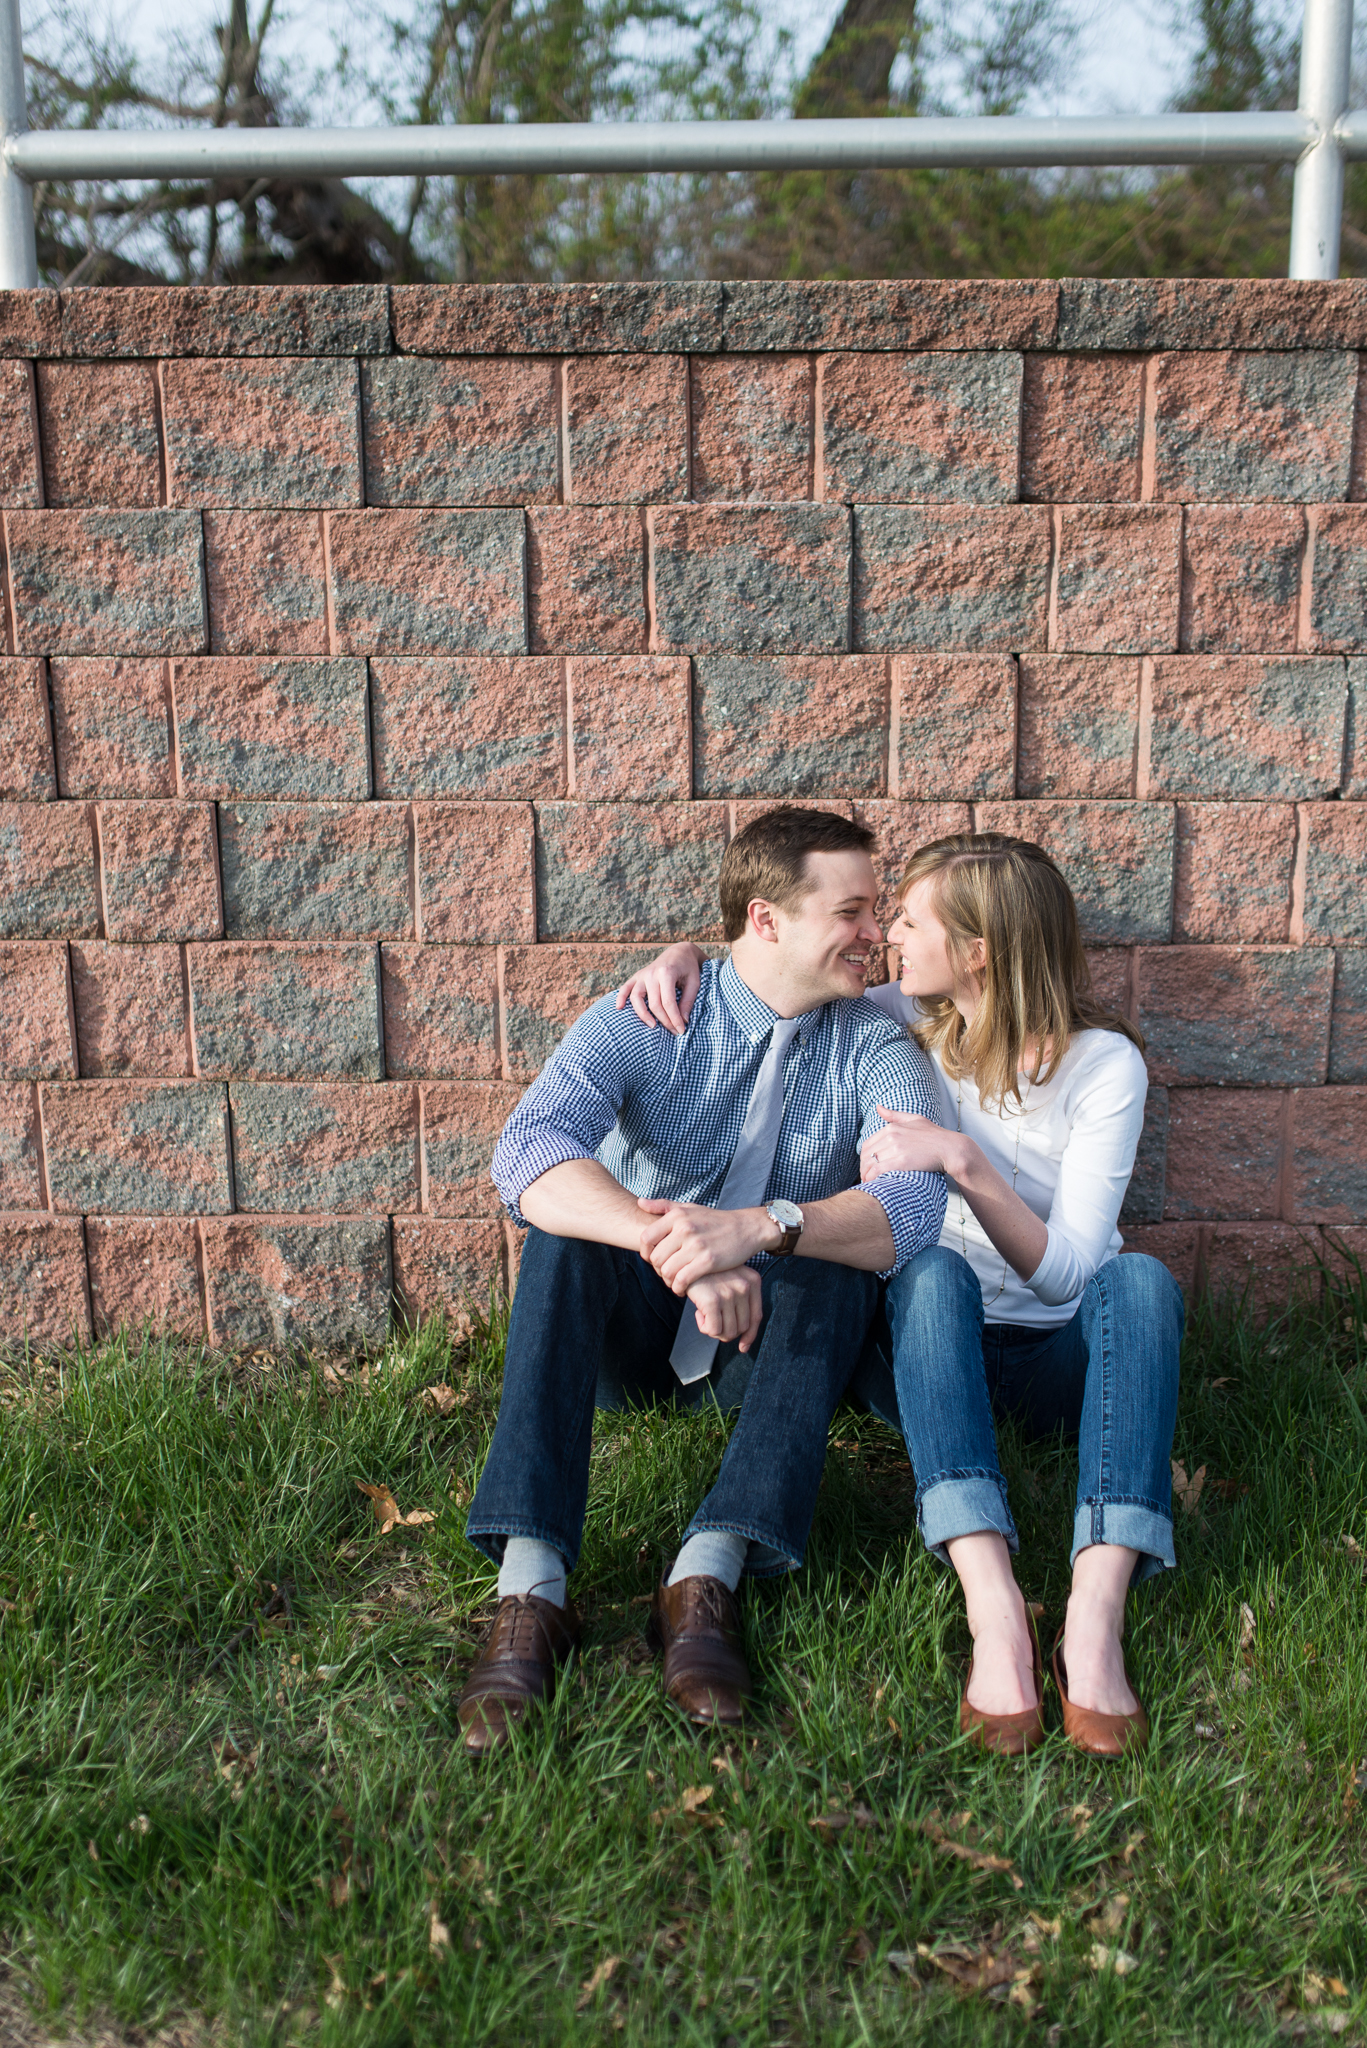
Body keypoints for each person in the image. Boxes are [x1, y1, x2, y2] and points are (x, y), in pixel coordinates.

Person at [621, 831, 1183, 1759]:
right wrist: (685, 959)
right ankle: (992, 1601)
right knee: (930, 1270)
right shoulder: (905, 1021)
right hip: (922, 1358)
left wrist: (961, 1162)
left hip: (1054, 1360)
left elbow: (1072, 1276)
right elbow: (769, 976)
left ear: (979, 951)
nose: (885, 936)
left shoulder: (1103, 1068)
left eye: (910, 920)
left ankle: (1094, 1612)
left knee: (1139, 1280)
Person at [456, 806, 947, 1757]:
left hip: (761, 1344)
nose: (875, 932)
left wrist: (760, 1232)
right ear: (766, 921)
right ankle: (531, 1589)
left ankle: (705, 1576)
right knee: (561, 1235)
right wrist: (671, 1246)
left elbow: (917, 1207)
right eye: (851, 910)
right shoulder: (652, 1013)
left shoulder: (874, 1042)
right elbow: (526, 1148)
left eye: (878, 910)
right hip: (632, 1329)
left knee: (841, 1262)